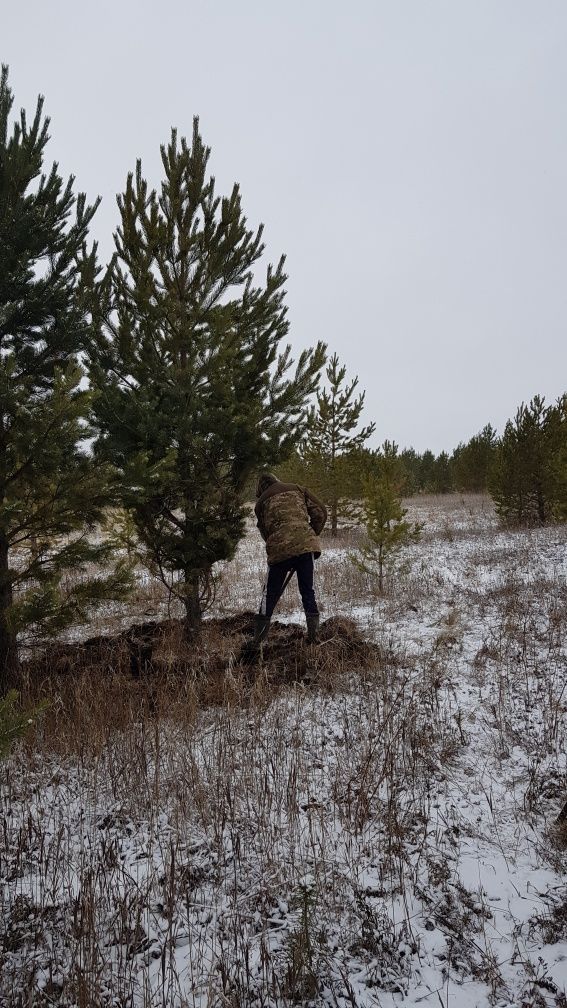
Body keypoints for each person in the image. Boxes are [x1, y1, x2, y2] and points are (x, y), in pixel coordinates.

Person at [243, 472, 327, 660]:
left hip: (279, 552)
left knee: (269, 595)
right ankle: (314, 637)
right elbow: (321, 511)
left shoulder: (260, 504)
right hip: (306, 548)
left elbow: (264, 531)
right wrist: (311, 535)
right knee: (308, 591)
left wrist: (278, 545)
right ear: (276, 480)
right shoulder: (298, 489)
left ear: (261, 489)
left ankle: (258, 641)